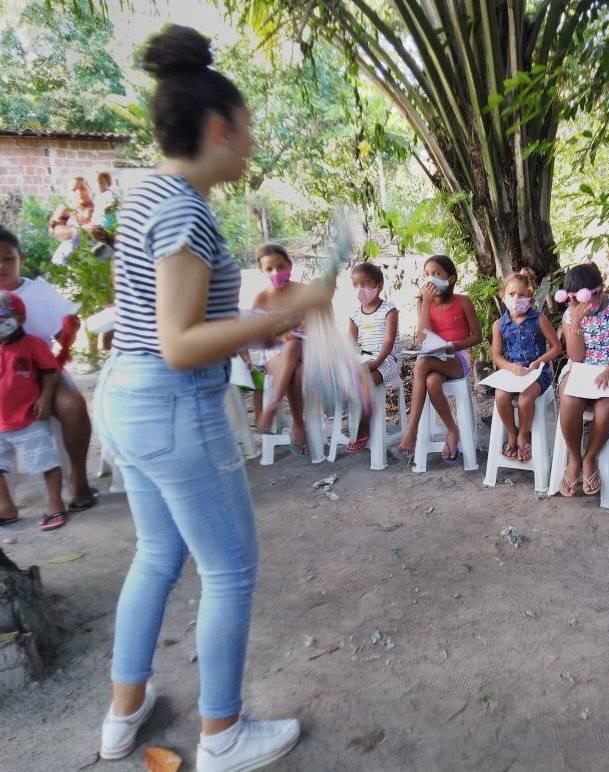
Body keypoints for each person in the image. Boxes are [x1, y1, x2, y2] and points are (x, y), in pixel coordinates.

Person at [93, 25, 332, 770]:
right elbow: (180, 340)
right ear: (219, 127)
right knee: (228, 569)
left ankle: (122, 717)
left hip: (129, 399)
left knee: (158, 552)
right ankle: (223, 736)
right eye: (248, 129)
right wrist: (288, 312)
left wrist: (265, 320)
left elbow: (169, 328)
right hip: (171, 401)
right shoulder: (184, 210)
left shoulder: (145, 197)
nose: (251, 144)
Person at [0, 226, 99, 512]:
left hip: (42, 373)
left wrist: (69, 330)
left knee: (73, 406)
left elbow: (59, 339)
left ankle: (78, 477)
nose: (1, 266)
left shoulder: (39, 292)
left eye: (8, 258)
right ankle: (5, 500)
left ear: (21, 258)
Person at [555, 262, 609, 497]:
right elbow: (576, 357)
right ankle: (574, 459)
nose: (576, 305)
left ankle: (590, 457)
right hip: (579, 369)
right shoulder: (572, 313)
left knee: (607, 406)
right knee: (569, 400)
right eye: (571, 300)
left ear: (599, 290)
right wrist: (576, 323)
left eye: (581, 298)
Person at [397, 255, 482, 462]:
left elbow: (477, 336)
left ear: (450, 278)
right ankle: (452, 430)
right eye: (427, 274)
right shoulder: (423, 303)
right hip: (436, 357)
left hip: (458, 357)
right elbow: (422, 337)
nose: (431, 278)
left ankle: (412, 429)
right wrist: (425, 303)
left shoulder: (463, 301)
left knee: (422, 362)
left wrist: (455, 345)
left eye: (436, 273)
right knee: (431, 381)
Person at [0, 291, 67, 531]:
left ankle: (55, 504)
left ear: (19, 317)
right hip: (0, 422)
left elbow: (50, 371)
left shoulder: (32, 345)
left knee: (45, 462)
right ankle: (6, 507)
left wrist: (46, 398)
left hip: (29, 419)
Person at [489, 269, 561, 461]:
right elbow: (496, 356)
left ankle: (523, 436)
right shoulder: (499, 325)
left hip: (537, 372)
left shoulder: (538, 319)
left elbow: (556, 348)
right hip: (513, 372)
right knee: (501, 396)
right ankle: (511, 433)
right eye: (511, 294)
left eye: (521, 295)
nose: (516, 298)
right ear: (502, 295)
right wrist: (511, 367)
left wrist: (539, 362)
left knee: (525, 399)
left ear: (529, 297)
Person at [251, 243, 308, 456]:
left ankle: (272, 407)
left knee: (295, 344)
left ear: (290, 265)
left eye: (281, 266)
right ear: (262, 271)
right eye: (269, 269)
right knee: (297, 371)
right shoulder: (262, 298)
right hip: (275, 352)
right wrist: (279, 333)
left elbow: (322, 322)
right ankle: (299, 424)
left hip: (307, 349)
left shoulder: (304, 292)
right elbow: (256, 334)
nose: (276, 272)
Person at [347, 261, 400, 452]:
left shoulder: (389, 310)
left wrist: (376, 362)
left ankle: (363, 426)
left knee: (366, 380)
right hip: (364, 357)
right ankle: (355, 417)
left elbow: (388, 341)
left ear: (379, 285)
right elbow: (350, 344)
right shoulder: (355, 314)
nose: (361, 289)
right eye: (356, 285)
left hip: (387, 358)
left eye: (366, 284)